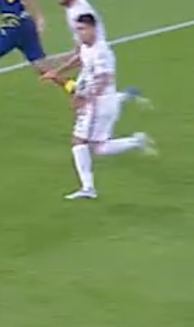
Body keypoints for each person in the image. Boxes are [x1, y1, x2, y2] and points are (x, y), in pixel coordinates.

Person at [47, 13, 155, 200]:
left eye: (82, 29)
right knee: (99, 147)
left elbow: (104, 79)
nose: (79, 34)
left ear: (93, 29)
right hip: (100, 102)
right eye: (77, 30)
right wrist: (57, 71)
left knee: (79, 141)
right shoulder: (86, 47)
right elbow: (80, 58)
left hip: (99, 104)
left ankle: (88, 188)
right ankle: (136, 141)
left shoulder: (101, 51)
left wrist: (86, 99)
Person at [50, 0, 149, 109]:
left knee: (86, 103)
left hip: (96, 59)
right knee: (84, 99)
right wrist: (65, 58)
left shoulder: (79, 12)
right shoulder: (73, 7)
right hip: (91, 56)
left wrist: (57, 71)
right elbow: (79, 46)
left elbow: (82, 54)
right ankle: (125, 95)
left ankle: (123, 98)